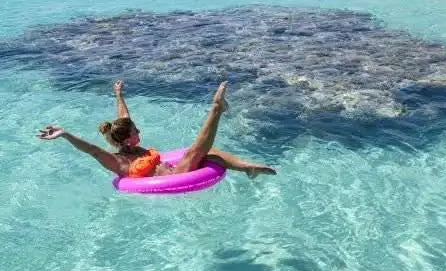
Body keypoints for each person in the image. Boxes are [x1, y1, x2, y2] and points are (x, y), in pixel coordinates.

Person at [38, 81, 276, 180]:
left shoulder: (127, 141)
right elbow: (91, 150)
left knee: (210, 154)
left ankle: (247, 168)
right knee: (195, 152)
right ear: (129, 139)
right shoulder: (117, 162)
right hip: (171, 179)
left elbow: (123, 117)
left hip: (174, 170)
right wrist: (65, 134)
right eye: (136, 130)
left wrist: (118, 95)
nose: (139, 131)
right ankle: (216, 109)